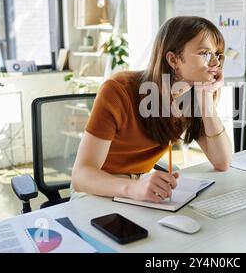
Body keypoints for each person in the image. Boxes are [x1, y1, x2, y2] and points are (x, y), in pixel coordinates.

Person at [71, 16, 233, 202]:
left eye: (217, 55)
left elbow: (222, 161)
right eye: (205, 53)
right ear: (173, 60)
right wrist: (134, 188)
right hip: (97, 190)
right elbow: (81, 175)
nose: (215, 63)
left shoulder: (192, 95)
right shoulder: (119, 90)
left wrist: (206, 98)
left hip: (140, 189)